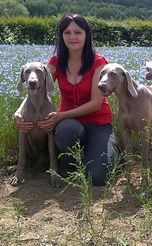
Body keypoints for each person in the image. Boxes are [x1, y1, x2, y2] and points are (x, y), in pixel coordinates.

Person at [14, 13, 119, 186]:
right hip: (69, 125)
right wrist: (18, 112)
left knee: (99, 178)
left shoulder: (98, 62)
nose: (72, 37)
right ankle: (72, 160)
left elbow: (95, 103)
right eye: (67, 33)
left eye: (77, 32)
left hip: (98, 124)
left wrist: (60, 115)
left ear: (86, 34)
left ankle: (106, 149)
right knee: (65, 131)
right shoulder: (56, 61)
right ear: (61, 36)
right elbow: (37, 89)